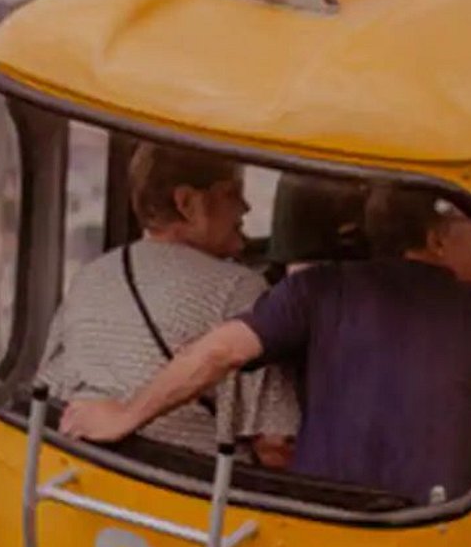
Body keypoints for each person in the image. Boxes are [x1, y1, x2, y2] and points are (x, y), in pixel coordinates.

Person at [61, 185, 471, 505]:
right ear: (436, 240)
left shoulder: (316, 290)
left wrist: (126, 416)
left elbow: (219, 351)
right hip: (438, 528)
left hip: (319, 516)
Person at [37, 141, 299, 466]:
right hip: (189, 486)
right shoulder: (240, 289)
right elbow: (275, 443)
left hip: (79, 472)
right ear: (186, 203)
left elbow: (48, 386)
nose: (244, 207)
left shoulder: (90, 275)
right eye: (231, 193)